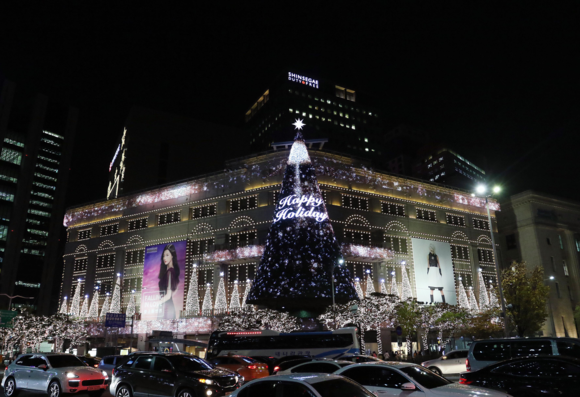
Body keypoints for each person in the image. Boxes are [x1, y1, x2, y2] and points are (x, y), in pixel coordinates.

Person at [158, 244, 181, 319]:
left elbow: (168, 295)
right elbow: (174, 290)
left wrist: (157, 303)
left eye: (167, 255)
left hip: (166, 307)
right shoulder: (170, 271)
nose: (165, 258)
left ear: (172, 256)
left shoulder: (170, 272)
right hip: (166, 306)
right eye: (164, 255)